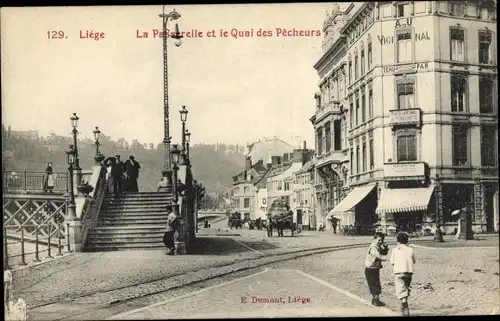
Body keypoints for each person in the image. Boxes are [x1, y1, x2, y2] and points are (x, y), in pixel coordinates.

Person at [390, 232, 416, 316]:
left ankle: (405, 309)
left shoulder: (395, 250)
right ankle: (402, 309)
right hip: (409, 272)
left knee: (401, 292)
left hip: (399, 273)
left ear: (398, 241)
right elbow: (414, 261)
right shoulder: (411, 249)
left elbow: (392, 262)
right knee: (406, 290)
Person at [364, 232, 389, 307]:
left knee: (376, 284)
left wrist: (385, 248)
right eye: (379, 240)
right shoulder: (373, 247)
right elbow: (378, 255)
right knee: (374, 285)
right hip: (370, 268)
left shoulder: (377, 246)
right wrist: (387, 259)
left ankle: (375, 300)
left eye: (381, 240)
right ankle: (376, 301)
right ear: (374, 239)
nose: (380, 242)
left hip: (375, 268)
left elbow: (384, 253)